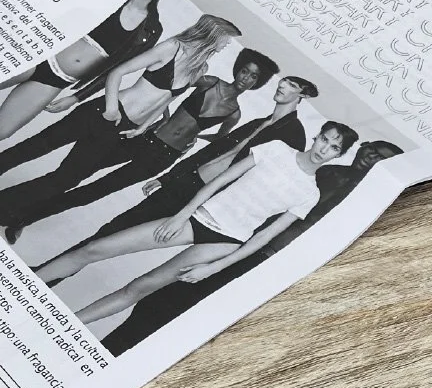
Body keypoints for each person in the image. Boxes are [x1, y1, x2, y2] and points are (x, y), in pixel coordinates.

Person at [99, 137, 403, 355]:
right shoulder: (320, 169)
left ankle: (127, 356)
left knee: (200, 314)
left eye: (383, 159)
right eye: (373, 150)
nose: (373, 158)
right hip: (243, 244)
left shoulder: (372, 201)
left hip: (279, 264)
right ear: (361, 147)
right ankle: (112, 349)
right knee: (170, 294)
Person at [39, 123, 360, 325]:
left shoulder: (310, 193)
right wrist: (182, 215)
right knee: (95, 248)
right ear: (317, 136)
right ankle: (31, 284)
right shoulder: (276, 150)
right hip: (196, 217)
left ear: (338, 155)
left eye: (334, 148)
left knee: (138, 288)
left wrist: (216, 267)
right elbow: (220, 180)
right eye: (325, 140)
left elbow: (263, 238)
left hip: (224, 242)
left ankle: (68, 327)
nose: (324, 149)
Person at [0, 14, 240, 239]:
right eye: (226, 40)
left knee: (66, 179)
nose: (227, 45)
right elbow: (118, 72)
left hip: (123, 127)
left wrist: (142, 126)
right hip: (103, 111)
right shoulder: (172, 47)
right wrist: (111, 107)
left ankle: (5, 204)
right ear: (213, 35)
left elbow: (167, 98)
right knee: (35, 148)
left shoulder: (201, 69)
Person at [67, 74, 318, 247]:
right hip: (187, 181)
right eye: (283, 81)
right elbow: (211, 152)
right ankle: (58, 267)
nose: (282, 85)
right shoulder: (258, 122)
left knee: (129, 235)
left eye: (291, 84)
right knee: (119, 223)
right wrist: (168, 177)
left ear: (302, 95)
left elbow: (265, 182)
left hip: (206, 198)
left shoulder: (293, 134)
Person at [0, 0, 185, 141]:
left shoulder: (152, 28)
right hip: (36, 56)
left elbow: (115, 71)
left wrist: (77, 97)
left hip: (56, 81)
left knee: (3, 130)